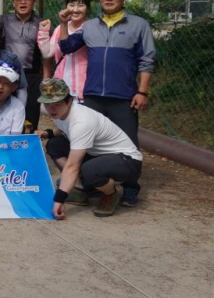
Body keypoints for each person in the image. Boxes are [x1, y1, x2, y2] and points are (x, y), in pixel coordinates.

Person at [58, 0, 155, 207]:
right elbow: (67, 47)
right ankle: (94, 185)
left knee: (129, 145)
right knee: (90, 142)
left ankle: (130, 187)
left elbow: (147, 59)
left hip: (123, 97)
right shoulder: (90, 26)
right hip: (93, 96)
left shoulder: (139, 25)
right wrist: (63, 24)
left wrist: (142, 92)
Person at [38, 78, 143, 219]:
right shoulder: (61, 113)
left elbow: (72, 166)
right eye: (47, 104)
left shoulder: (82, 121)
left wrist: (59, 200)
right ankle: (81, 189)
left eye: (57, 104)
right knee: (54, 144)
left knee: (90, 170)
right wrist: (48, 133)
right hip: (98, 154)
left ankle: (110, 193)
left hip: (127, 160)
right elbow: (65, 129)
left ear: (69, 101)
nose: (51, 109)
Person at [0, 0, 43, 132]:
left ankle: (27, 143)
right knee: (4, 112)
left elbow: (50, 51)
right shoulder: (4, 20)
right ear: (13, 2)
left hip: (32, 76)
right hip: (7, 73)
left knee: (30, 114)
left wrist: (47, 76)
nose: (23, 2)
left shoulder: (41, 23)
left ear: (34, 1)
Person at [38, 0, 91, 101]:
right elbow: (47, 53)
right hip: (61, 86)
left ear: (87, 8)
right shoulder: (59, 29)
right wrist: (43, 32)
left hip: (84, 89)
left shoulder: (91, 28)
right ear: (66, 7)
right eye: (71, 5)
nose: (75, 10)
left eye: (81, 5)